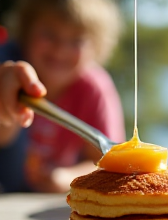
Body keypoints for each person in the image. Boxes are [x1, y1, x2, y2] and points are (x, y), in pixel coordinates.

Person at [0, 0, 126, 193]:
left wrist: (67, 178)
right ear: (26, 30)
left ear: (97, 48)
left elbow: (107, 159)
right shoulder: (8, 69)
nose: (61, 49)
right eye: (50, 35)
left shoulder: (95, 88)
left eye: (77, 41)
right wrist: (6, 110)